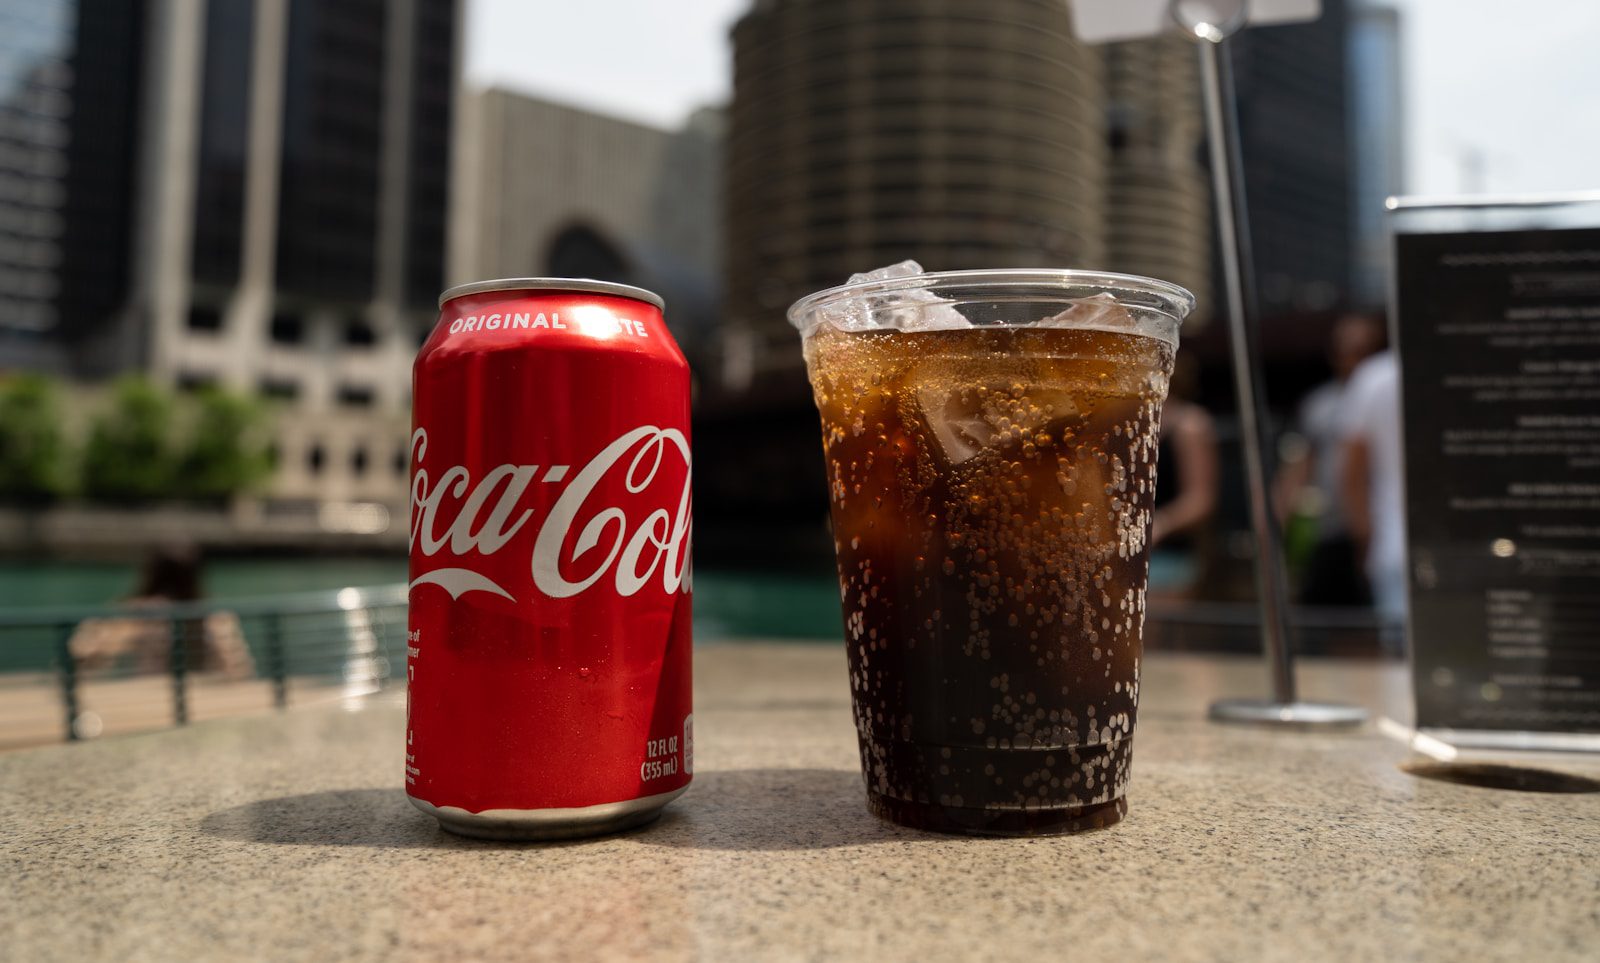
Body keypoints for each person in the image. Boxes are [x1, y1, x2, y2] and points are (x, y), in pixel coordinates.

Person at [1277, 313, 1386, 604]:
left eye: (1363, 351)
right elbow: (1300, 466)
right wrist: (1276, 522)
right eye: (1344, 350)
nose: (1351, 359)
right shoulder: (1319, 404)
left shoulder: (1388, 395)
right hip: (1332, 529)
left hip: (1380, 526)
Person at [69, 544, 255, 679]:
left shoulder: (129, 613)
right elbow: (236, 665)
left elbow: (83, 652)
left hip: (145, 695)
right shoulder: (213, 614)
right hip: (198, 696)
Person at [1339, 350, 1406, 632]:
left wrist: (1363, 537)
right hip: (1398, 544)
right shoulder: (1375, 376)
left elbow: (1351, 471)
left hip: (1394, 545)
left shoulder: (1375, 376)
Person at [1149, 355, 1220, 595]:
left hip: (1169, 557)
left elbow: (1200, 499)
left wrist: (1160, 525)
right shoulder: (1133, 419)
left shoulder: (1189, 424)